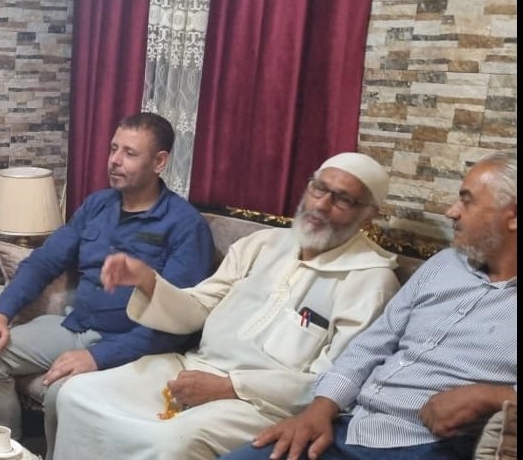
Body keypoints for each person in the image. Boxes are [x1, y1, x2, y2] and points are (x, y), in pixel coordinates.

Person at [49, 152, 403, 460]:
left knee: (169, 442)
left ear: (367, 215)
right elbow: (199, 306)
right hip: (193, 366)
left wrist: (231, 386)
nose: (321, 205)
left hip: (263, 404)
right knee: (77, 393)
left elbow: (332, 381)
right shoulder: (264, 244)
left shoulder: (369, 280)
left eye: (342, 200)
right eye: (319, 188)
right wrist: (148, 281)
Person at [223, 152, 517, 460]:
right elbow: (372, 344)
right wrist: (320, 408)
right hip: (351, 424)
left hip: (427, 444)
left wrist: (492, 395)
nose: (451, 212)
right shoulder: (444, 264)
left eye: (466, 201)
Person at [0, 112, 216, 446]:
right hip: (76, 325)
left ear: (159, 162)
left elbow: (176, 323)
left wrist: (99, 357)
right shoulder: (97, 205)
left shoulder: (185, 226)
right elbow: (43, 262)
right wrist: (0, 315)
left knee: (62, 393)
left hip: (134, 347)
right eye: (113, 148)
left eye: (129, 153)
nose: (115, 160)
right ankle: (7, 450)